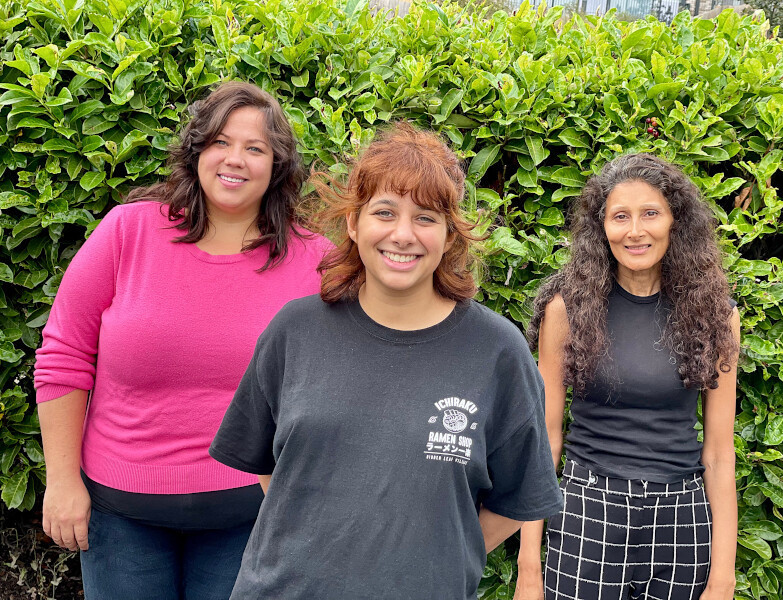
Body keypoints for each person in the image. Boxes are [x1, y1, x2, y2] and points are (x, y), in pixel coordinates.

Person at [210, 122, 563, 600]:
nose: (403, 234)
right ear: (354, 224)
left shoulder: (497, 350)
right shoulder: (295, 330)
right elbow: (271, 468)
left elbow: (518, 497)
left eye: (425, 218)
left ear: (448, 234)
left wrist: (435, 559)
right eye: (384, 212)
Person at [34, 81, 331, 600]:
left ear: (277, 166)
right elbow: (64, 354)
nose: (234, 159)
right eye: (220, 141)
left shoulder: (315, 261)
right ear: (196, 151)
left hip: (251, 517)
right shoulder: (128, 232)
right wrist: (61, 481)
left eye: (255, 148)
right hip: (119, 515)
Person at [514, 153, 740, 600]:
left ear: (676, 222)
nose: (635, 231)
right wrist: (527, 567)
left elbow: (718, 454)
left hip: (682, 518)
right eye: (620, 217)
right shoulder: (567, 310)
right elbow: (546, 438)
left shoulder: (716, 317)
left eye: (650, 213)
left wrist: (723, 576)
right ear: (602, 229)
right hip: (588, 511)